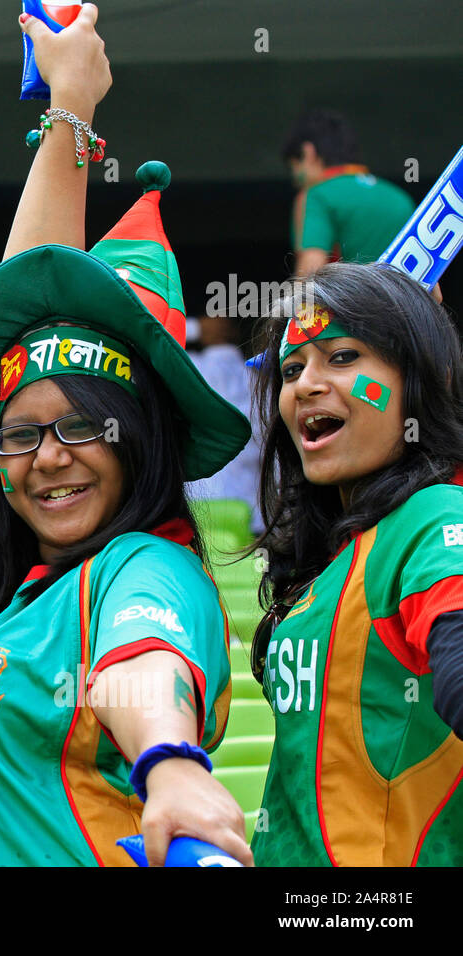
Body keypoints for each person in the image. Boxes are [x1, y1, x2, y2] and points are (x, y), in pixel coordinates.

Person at [0, 6, 252, 867]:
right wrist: (71, 103)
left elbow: (143, 664)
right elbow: (17, 291)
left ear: (138, 439)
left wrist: (170, 763)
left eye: (84, 426)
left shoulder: (145, 568)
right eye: (20, 436)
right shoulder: (8, 575)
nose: (48, 457)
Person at [248, 263, 463, 866]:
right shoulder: (330, 558)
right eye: (291, 370)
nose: (306, 385)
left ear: (424, 381)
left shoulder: (432, 518)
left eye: (342, 357)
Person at [282, 109, 415, 278]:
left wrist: (289, 304)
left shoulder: (317, 196)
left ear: (308, 152)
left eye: (293, 168)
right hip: (402, 303)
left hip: (348, 303)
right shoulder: (401, 198)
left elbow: (310, 276)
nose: (295, 181)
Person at [185, 314, 263, 532]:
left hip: (191, 519)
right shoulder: (260, 381)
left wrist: (195, 328)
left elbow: (145, 332)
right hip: (253, 519)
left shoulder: (182, 371)